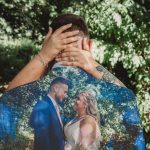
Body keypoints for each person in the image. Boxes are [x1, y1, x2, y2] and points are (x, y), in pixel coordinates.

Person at [7, 14, 125, 91]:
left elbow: (127, 101)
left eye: (74, 55)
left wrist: (91, 64)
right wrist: (43, 56)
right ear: (47, 48)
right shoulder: (37, 82)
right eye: (60, 53)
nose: (66, 65)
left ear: (88, 46)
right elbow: (9, 101)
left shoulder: (98, 83)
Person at [30, 76, 69, 150]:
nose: (66, 96)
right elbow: (41, 140)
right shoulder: (43, 105)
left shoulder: (54, 107)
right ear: (56, 88)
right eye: (65, 92)